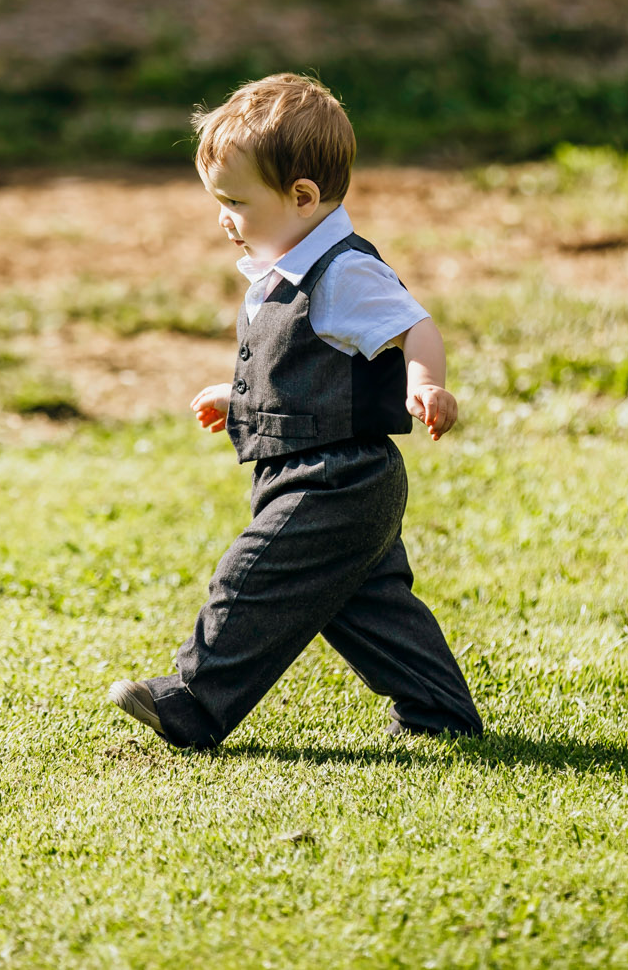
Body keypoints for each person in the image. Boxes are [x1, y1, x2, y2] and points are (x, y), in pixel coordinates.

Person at [107, 74, 484, 748]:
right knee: (368, 607)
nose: (223, 216)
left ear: (302, 196)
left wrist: (425, 381)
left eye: (235, 201)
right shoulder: (279, 267)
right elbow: (304, 366)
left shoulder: (342, 270)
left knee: (252, 576)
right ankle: (438, 707)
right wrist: (243, 398)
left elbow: (414, 324)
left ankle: (196, 700)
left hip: (338, 476)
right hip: (313, 469)